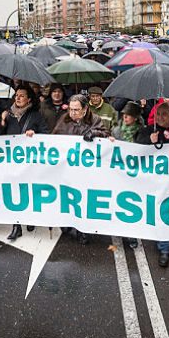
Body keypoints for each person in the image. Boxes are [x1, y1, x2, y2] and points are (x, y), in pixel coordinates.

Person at [135, 102, 169, 267]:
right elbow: (135, 148)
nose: (160, 117)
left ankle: (164, 248)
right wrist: (148, 141)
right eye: (158, 114)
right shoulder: (147, 130)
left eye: (164, 114)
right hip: (150, 180)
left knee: (165, 211)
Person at [52, 94, 109, 245]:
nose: (73, 113)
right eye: (71, 109)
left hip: (86, 170)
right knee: (67, 197)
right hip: (68, 169)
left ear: (85, 109)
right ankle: (67, 223)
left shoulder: (95, 120)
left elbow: (106, 136)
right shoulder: (64, 119)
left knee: (82, 200)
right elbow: (53, 139)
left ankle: (82, 230)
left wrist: (94, 133)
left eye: (76, 110)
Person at [0, 86, 50, 240]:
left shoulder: (35, 115)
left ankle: (30, 218)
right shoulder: (8, 114)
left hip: (29, 162)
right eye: (16, 96)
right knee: (14, 193)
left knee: (29, 192)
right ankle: (16, 226)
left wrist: (35, 134)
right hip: (11, 161)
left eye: (21, 96)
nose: (18, 98)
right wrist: (2, 121)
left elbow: (46, 134)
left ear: (29, 99)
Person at [108, 101, 145, 250]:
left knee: (133, 203)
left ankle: (132, 234)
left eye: (129, 115)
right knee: (120, 200)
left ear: (135, 117)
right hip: (120, 172)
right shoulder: (117, 131)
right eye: (124, 115)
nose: (125, 117)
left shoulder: (142, 132)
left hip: (136, 172)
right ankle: (120, 229)